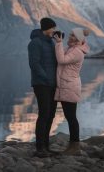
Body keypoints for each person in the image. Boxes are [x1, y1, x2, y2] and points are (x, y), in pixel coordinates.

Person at [53, 28, 90, 155]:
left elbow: (61, 60)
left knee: (71, 117)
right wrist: (59, 43)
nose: (70, 37)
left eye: (73, 35)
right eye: (70, 34)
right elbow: (60, 55)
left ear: (79, 39)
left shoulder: (77, 52)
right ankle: (73, 145)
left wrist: (58, 43)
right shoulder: (72, 49)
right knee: (70, 117)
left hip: (69, 87)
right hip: (68, 85)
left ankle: (75, 146)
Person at [28, 17, 58, 157]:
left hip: (53, 84)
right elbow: (34, 64)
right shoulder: (35, 43)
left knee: (51, 114)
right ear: (46, 28)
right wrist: (46, 78)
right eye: (52, 28)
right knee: (44, 114)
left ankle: (46, 146)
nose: (54, 30)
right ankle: (39, 148)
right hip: (41, 84)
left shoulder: (51, 42)